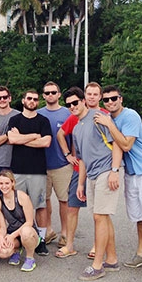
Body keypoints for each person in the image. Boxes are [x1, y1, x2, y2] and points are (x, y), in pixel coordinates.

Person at [94, 85, 142, 280]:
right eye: (106, 100)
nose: (110, 102)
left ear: (121, 99)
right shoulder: (109, 118)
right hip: (131, 173)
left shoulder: (130, 116)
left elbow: (126, 145)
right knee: (139, 215)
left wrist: (109, 124)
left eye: (114, 98)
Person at [63, 87, 123, 281]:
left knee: (99, 217)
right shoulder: (77, 127)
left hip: (107, 171)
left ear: (83, 101)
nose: (72, 106)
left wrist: (114, 171)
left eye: (75, 102)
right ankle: (111, 260)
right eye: (69, 104)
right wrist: (81, 184)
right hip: (91, 176)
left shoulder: (99, 118)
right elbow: (82, 159)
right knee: (102, 218)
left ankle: (97, 266)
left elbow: (116, 145)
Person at [56, 82, 103, 259]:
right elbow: (60, 134)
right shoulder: (74, 117)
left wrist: (114, 169)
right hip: (78, 169)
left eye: (94, 94)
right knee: (72, 207)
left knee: (98, 212)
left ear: (99, 96)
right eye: (88, 93)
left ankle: (97, 246)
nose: (91, 97)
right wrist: (68, 154)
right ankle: (69, 245)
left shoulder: (103, 116)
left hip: (99, 170)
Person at [7, 89, 52, 256]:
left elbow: (46, 142)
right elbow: (12, 139)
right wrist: (34, 136)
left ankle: (41, 240)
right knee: (16, 207)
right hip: (17, 171)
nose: (32, 101)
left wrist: (22, 139)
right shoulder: (14, 119)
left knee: (40, 206)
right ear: (23, 100)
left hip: (37, 171)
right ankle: (18, 239)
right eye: (29, 98)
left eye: (35, 99)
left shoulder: (43, 121)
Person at [37, 81, 71, 248]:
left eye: (53, 92)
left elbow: (74, 138)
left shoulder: (67, 113)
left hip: (62, 165)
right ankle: (48, 230)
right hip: (41, 166)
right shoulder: (37, 114)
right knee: (44, 201)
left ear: (59, 94)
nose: (50, 95)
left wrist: (71, 156)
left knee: (64, 201)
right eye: (47, 92)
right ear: (43, 95)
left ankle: (65, 234)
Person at [0, 170, 40, 272]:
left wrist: (12, 236)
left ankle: (30, 258)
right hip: (13, 232)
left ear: (13, 183)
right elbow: (2, 226)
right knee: (2, 252)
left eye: (7, 183)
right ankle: (16, 249)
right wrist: (1, 238)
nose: (4, 186)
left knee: (26, 233)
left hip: (29, 231)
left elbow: (29, 222)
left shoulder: (21, 196)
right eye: (1, 183)